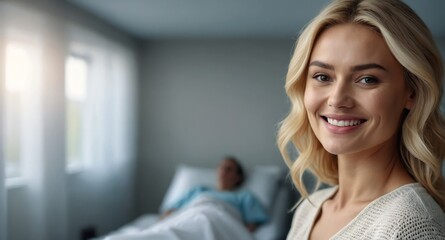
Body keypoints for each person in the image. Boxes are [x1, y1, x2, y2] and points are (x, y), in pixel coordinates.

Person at [277, 0, 445, 239]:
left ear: (412, 92)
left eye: (367, 79)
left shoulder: (410, 225)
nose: (337, 99)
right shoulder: (311, 208)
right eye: (323, 76)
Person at [161, 157, 269, 232]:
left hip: (216, 221)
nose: (223, 171)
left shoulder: (243, 196)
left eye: (229, 169)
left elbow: (250, 226)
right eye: (221, 167)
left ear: (238, 177)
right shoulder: (199, 190)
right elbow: (170, 212)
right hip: (188, 216)